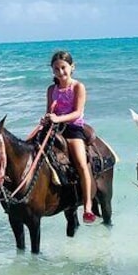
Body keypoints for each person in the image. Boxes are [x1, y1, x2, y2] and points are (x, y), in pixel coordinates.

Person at [40, 50, 96, 224]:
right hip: (55, 128)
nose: (60, 72)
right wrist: (47, 118)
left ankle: (87, 206)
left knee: (80, 163)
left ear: (72, 67)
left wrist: (58, 118)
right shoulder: (51, 89)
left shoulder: (78, 87)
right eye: (56, 69)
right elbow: (50, 110)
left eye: (63, 68)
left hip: (73, 128)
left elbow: (77, 112)